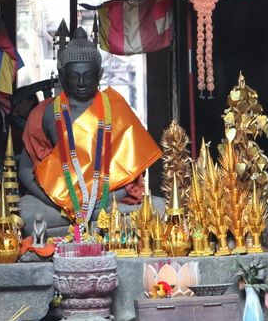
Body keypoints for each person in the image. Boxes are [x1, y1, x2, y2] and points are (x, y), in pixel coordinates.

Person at [18, 27, 162, 238]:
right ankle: (84, 220)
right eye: (74, 76)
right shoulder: (46, 113)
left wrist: (103, 200)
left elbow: (135, 171)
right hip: (59, 201)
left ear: (100, 75)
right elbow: (25, 169)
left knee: (160, 209)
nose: (81, 83)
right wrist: (59, 202)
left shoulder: (115, 108)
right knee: (25, 216)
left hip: (108, 198)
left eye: (88, 75)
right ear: (62, 76)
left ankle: (90, 219)